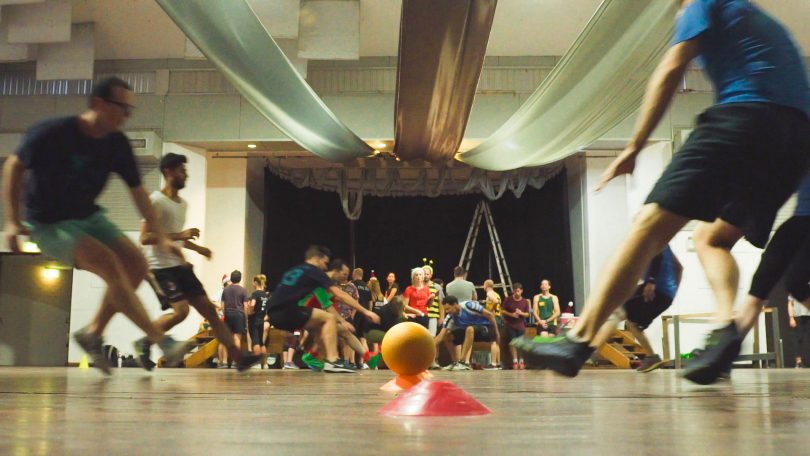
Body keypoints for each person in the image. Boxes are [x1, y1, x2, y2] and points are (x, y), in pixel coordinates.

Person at [514, 0, 810, 381]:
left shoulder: (702, 3)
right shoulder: (763, 22)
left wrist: (634, 146)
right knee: (712, 238)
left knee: (649, 227)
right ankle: (725, 330)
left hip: (745, 117)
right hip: (795, 144)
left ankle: (579, 339)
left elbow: (671, 69)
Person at [2, 76, 191, 374]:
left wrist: (160, 234)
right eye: (122, 108)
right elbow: (13, 166)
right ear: (99, 104)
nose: (126, 116)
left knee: (138, 266)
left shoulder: (116, 144)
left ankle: (92, 333)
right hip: (48, 223)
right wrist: (12, 221)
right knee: (109, 264)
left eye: (131, 110)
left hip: (89, 216)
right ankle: (161, 340)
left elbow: (139, 192)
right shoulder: (54, 132)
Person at [134, 152, 259, 371]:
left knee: (210, 312)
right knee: (181, 311)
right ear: (168, 172)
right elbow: (145, 238)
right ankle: (146, 341)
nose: (186, 175)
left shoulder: (182, 204)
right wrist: (181, 236)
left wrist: (198, 248)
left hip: (180, 266)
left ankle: (239, 358)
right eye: (182, 171)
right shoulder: (155, 201)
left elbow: (175, 236)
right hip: (160, 267)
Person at [265, 246, 379, 373]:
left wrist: (342, 321)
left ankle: (366, 357)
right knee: (329, 320)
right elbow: (331, 302)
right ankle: (331, 361)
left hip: (276, 310)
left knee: (339, 330)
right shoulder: (317, 274)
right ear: (317, 259)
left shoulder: (296, 270)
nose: (345, 277)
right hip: (290, 310)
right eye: (344, 274)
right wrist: (363, 312)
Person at [590, 246, 682, 373]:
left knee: (619, 311)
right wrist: (672, 293)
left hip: (655, 291)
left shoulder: (653, 236)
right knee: (632, 322)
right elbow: (679, 268)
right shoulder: (665, 244)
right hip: (666, 295)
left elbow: (657, 255)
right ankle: (651, 356)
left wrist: (651, 281)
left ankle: (591, 349)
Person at [435, 296, 500, 371]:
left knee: (469, 329)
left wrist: (497, 333)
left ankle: (463, 362)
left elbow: (490, 315)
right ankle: (455, 362)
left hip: (485, 329)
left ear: (455, 305)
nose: (446, 311)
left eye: (448, 308)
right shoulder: (450, 317)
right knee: (447, 336)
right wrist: (428, 347)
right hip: (469, 332)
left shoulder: (469, 306)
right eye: (445, 309)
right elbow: (440, 336)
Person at [221, 270, 248, 368]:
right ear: (240, 279)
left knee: (227, 338)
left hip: (228, 314)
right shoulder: (243, 290)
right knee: (237, 338)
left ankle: (224, 361)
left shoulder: (226, 290)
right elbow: (245, 306)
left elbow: (222, 305)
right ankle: (235, 362)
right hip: (239, 315)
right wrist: (246, 318)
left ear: (231, 278)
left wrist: (225, 314)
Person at [501, 283, 531, 369]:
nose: (516, 293)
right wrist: (512, 314)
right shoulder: (508, 300)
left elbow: (527, 314)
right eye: (514, 291)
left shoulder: (525, 301)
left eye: (518, 291)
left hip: (520, 325)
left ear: (521, 291)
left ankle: (521, 361)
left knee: (521, 343)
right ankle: (515, 361)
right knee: (513, 342)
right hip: (510, 324)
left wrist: (521, 313)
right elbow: (502, 311)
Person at [247, 274, 271, 368]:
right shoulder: (266, 295)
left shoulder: (255, 294)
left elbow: (252, 304)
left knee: (255, 342)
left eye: (253, 281)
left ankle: (256, 363)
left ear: (256, 282)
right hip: (262, 320)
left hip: (254, 320)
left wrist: (250, 312)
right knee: (262, 343)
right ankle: (264, 364)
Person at [482, 279, 502, 369]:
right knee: (497, 342)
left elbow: (495, 302)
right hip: (498, 319)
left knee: (493, 341)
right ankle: (498, 363)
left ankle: (493, 364)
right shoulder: (497, 294)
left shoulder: (489, 293)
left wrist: (490, 311)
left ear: (486, 286)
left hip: (493, 319)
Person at [423, 265, 445, 337]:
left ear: (431, 275)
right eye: (424, 273)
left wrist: (442, 317)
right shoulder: (418, 286)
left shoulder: (436, 287)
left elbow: (441, 303)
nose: (425, 275)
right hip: (421, 316)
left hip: (433, 316)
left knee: (432, 338)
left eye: (427, 274)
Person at [789, 296, 810, 368]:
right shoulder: (795, 287)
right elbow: (790, 303)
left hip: (808, 315)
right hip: (797, 315)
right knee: (798, 338)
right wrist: (791, 317)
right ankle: (798, 362)